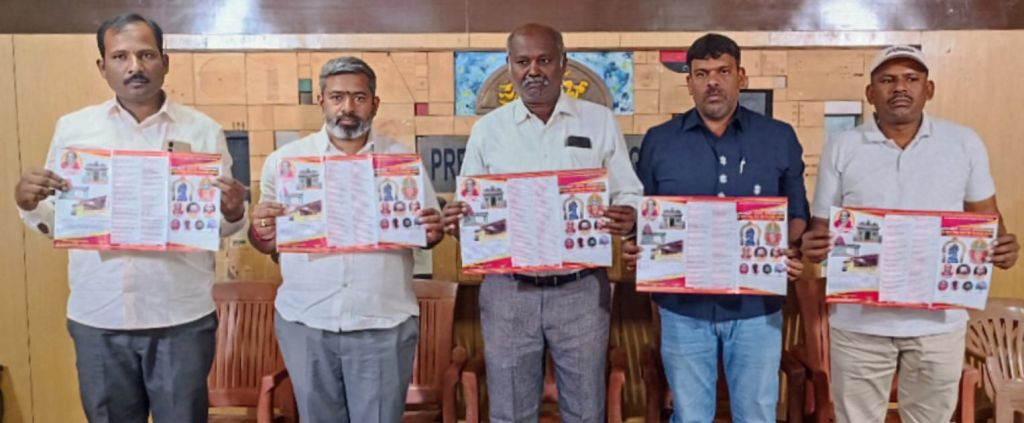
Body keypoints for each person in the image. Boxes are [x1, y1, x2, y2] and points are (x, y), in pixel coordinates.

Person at [13, 13, 248, 423]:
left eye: (146, 55)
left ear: (165, 62)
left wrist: (232, 212)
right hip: (99, 315)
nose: (134, 66)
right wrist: (29, 203)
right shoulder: (74, 129)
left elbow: (221, 224)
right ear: (102, 66)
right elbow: (62, 219)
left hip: (180, 317)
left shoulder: (203, 131)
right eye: (120, 56)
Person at [801, 44, 1020, 423]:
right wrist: (813, 246)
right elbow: (820, 233)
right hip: (859, 324)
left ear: (928, 89)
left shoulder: (964, 143)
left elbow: (989, 222)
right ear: (870, 93)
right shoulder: (843, 146)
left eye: (911, 79)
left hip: (939, 324)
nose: (900, 87)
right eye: (887, 80)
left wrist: (1004, 247)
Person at [441, 23, 643, 422]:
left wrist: (630, 213)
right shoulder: (488, 130)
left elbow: (629, 193)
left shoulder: (599, 121)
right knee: (511, 412)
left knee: (586, 411)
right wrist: (458, 222)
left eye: (544, 60)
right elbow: (469, 210)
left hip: (581, 290)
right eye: (523, 62)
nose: (533, 70)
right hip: (508, 291)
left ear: (563, 63)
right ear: (509, 67)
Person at [621, 33, 808, 423]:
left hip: (756, 306)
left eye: (723, 71)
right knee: (690, 415)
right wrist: (636, 245)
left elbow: (797, 214)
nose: (713, 82)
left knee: (756, 413)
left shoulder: (778, 137)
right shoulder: (659, 141)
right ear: (688, 81)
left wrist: (792, 249)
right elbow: (645, 214)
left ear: (741, 76)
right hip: (682, 308)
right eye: (702, 73)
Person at [248, 56, 445, 423]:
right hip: (306, 319)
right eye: (337, 97)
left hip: (383, 320)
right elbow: (265, 240)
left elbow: (428, 232)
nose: (348, 108)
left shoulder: (403, 163)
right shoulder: (287, 161)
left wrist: (433, 233)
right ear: (321, 101)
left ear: (375, 103)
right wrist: (260, 229)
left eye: (359, 97)